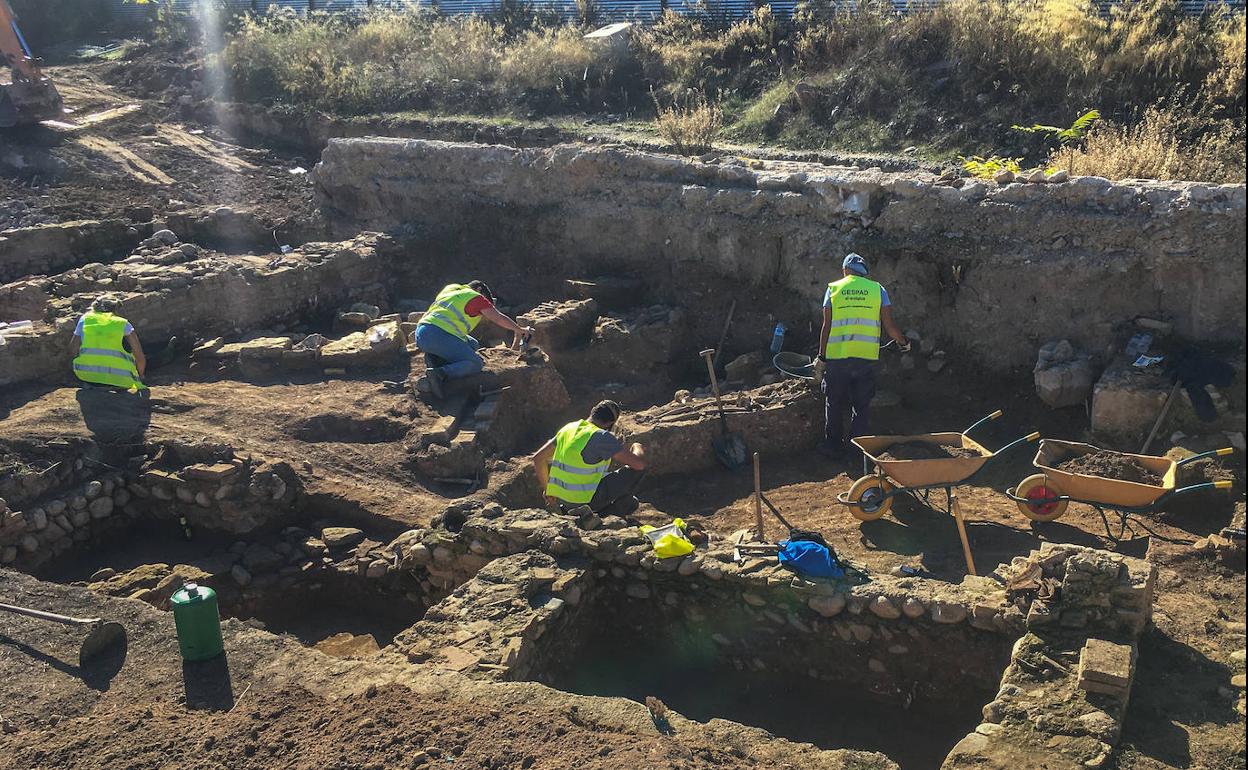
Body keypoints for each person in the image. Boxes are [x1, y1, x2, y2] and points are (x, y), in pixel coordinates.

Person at [816, 253, 908, 461]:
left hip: (837, 358)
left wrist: (822, 357)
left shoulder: (834, 289)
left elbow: (826, 327)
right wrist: (903, 342)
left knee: (834, 401)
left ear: (845, 270)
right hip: (864, 359)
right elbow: (890, 327)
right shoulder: (878, 290)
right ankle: (857, 449)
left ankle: (833, 446)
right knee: (861, 405)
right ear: (864, 272)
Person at [415, 280, 533, 398]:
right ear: (479, 290)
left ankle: (435, 358)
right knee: (475, 363)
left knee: (473, 344)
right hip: (437, 335)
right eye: (487, 301)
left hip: (422, 332)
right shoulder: (476, 298)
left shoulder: (451, 289)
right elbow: (498, 318)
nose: (485, 308)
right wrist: (520, 330)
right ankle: (439, 373)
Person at [532, 400, 648, 518]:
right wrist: (637, 447)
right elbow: (639, 465)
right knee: (635, 475)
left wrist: (549, 490)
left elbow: (538, 458)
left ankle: (581, 511)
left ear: (592, 412)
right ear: (610, 423)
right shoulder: (602, 436)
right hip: (585, 500)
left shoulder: (568, 428)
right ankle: (598, 515)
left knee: (630, 502)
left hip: (563, 501)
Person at [69, 295, 147, 392]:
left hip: (86, 377)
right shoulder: (123, 324)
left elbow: (73, 349)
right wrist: (141, 375)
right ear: (116, 309)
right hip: (119, 379)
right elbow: (139, 356)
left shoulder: (85, 319)